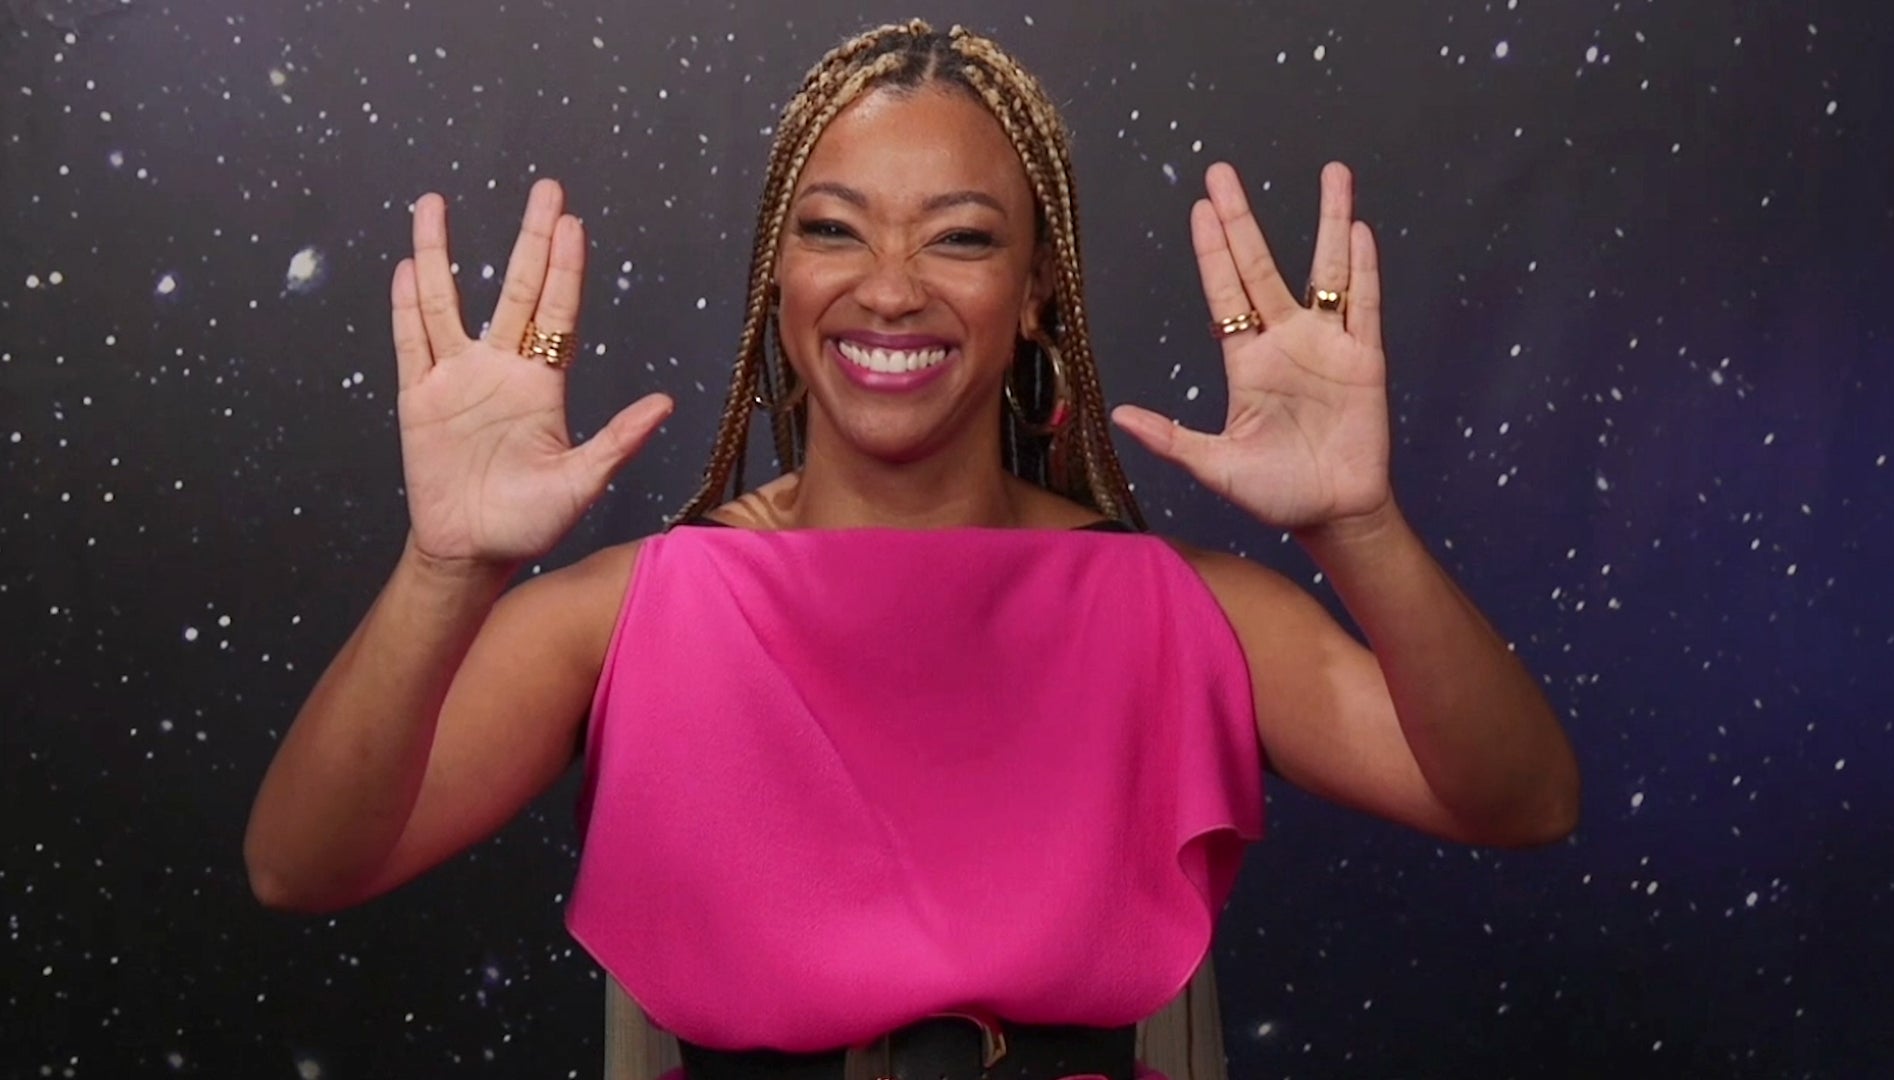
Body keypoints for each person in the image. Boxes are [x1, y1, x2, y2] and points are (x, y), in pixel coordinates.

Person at [244, 19, 1579, 1080]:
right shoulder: (631, 610)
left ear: (1036, 287)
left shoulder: (1181, 608)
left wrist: (1358, 527)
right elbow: (303, 866)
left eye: (962, 238)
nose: (889, 288)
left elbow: (1519, 801)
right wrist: (448, 571)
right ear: (779, 275)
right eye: (833, 229)